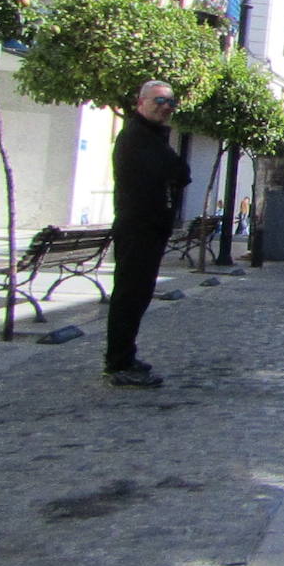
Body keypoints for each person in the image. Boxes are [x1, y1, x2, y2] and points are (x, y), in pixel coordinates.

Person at [103, 80, 191, 388]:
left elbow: (181, 173)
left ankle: (125, 356)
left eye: (170, 102)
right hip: (138, 226)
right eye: (158, 101)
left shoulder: (154, 136)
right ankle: (118, 362)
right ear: (141, 102)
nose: (166, 107)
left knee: (138, 296)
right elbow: (170, 171)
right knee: (130, 295)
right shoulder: (137, 137)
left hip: (150, 227)